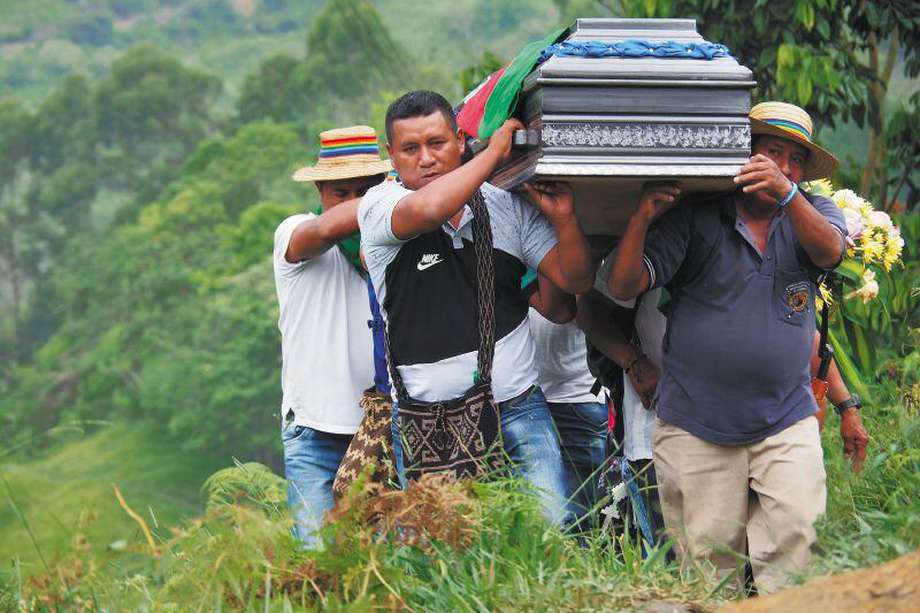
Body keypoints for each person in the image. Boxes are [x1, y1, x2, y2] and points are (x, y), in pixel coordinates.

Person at [605, 101, 853, 592]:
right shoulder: (696, 218)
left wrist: (789, 197)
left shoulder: (813, 212)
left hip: (786, 419)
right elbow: (623, 285)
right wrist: (642, 217)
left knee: (797, 552)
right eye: (772, 152)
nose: (784, 167)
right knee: (710, 573)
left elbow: (831, 251)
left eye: (795, 159)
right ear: (745, 154)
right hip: (697, 426)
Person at [358, 90, 594, 526]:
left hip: (517, 407)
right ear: (391, 156)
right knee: (444, 554)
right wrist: (497, 153)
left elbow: (576, 280)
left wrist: (563, 218)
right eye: (411, 149)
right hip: (426, 422)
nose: (426, 158)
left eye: (438, 143)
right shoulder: (379, 207)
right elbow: (430, 208)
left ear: (460, 141)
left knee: (549, 534)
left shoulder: (505, 205)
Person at [273, 125, 391, 546]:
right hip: (314, 430)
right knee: (319, 562)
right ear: (321, 190)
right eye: (341, 192)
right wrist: (380, 201)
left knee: (385, 567)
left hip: (382, 429)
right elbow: (324, 231)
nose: (353, 201)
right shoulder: (295, 232)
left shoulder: (392, 242)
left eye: (365, 188)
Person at [577, 257, 667, 544]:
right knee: (669, 552)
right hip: (655, 433)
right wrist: (633, 362)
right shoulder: (652, 245)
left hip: (740, 428)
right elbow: (590, 313)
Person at [523, 271, 607, 529]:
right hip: (522, 402)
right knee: (535, 522)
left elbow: (560, 309)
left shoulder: (578, 251)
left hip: (578, 400)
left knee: (574, 523)